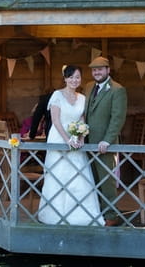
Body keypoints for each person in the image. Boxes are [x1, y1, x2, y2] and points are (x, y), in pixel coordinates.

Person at [37, 65, 105, 226]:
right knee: (59, 173)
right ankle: (54, 213)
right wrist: (67, 139)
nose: (75, 80)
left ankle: (81, 214)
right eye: (71, 77)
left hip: (76, 139)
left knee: (78, 173)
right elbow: (55, 121)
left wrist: (80, 136)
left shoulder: (82, 98)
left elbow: (81, 119)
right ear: (65, 79)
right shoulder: (57, 95)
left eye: (78, 77)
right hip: (59, 138)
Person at [84, 56, 127, 226]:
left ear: (108, 70)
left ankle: (111, 215)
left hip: (104, 144)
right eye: (94, 70)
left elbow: (117, 118)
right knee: (91, 179)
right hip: (86, 142)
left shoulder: (118, 90)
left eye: (100, 69)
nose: (97, 72)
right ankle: (97, 212)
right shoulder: (88, 87)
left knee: (106, 180)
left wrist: (108, 140)